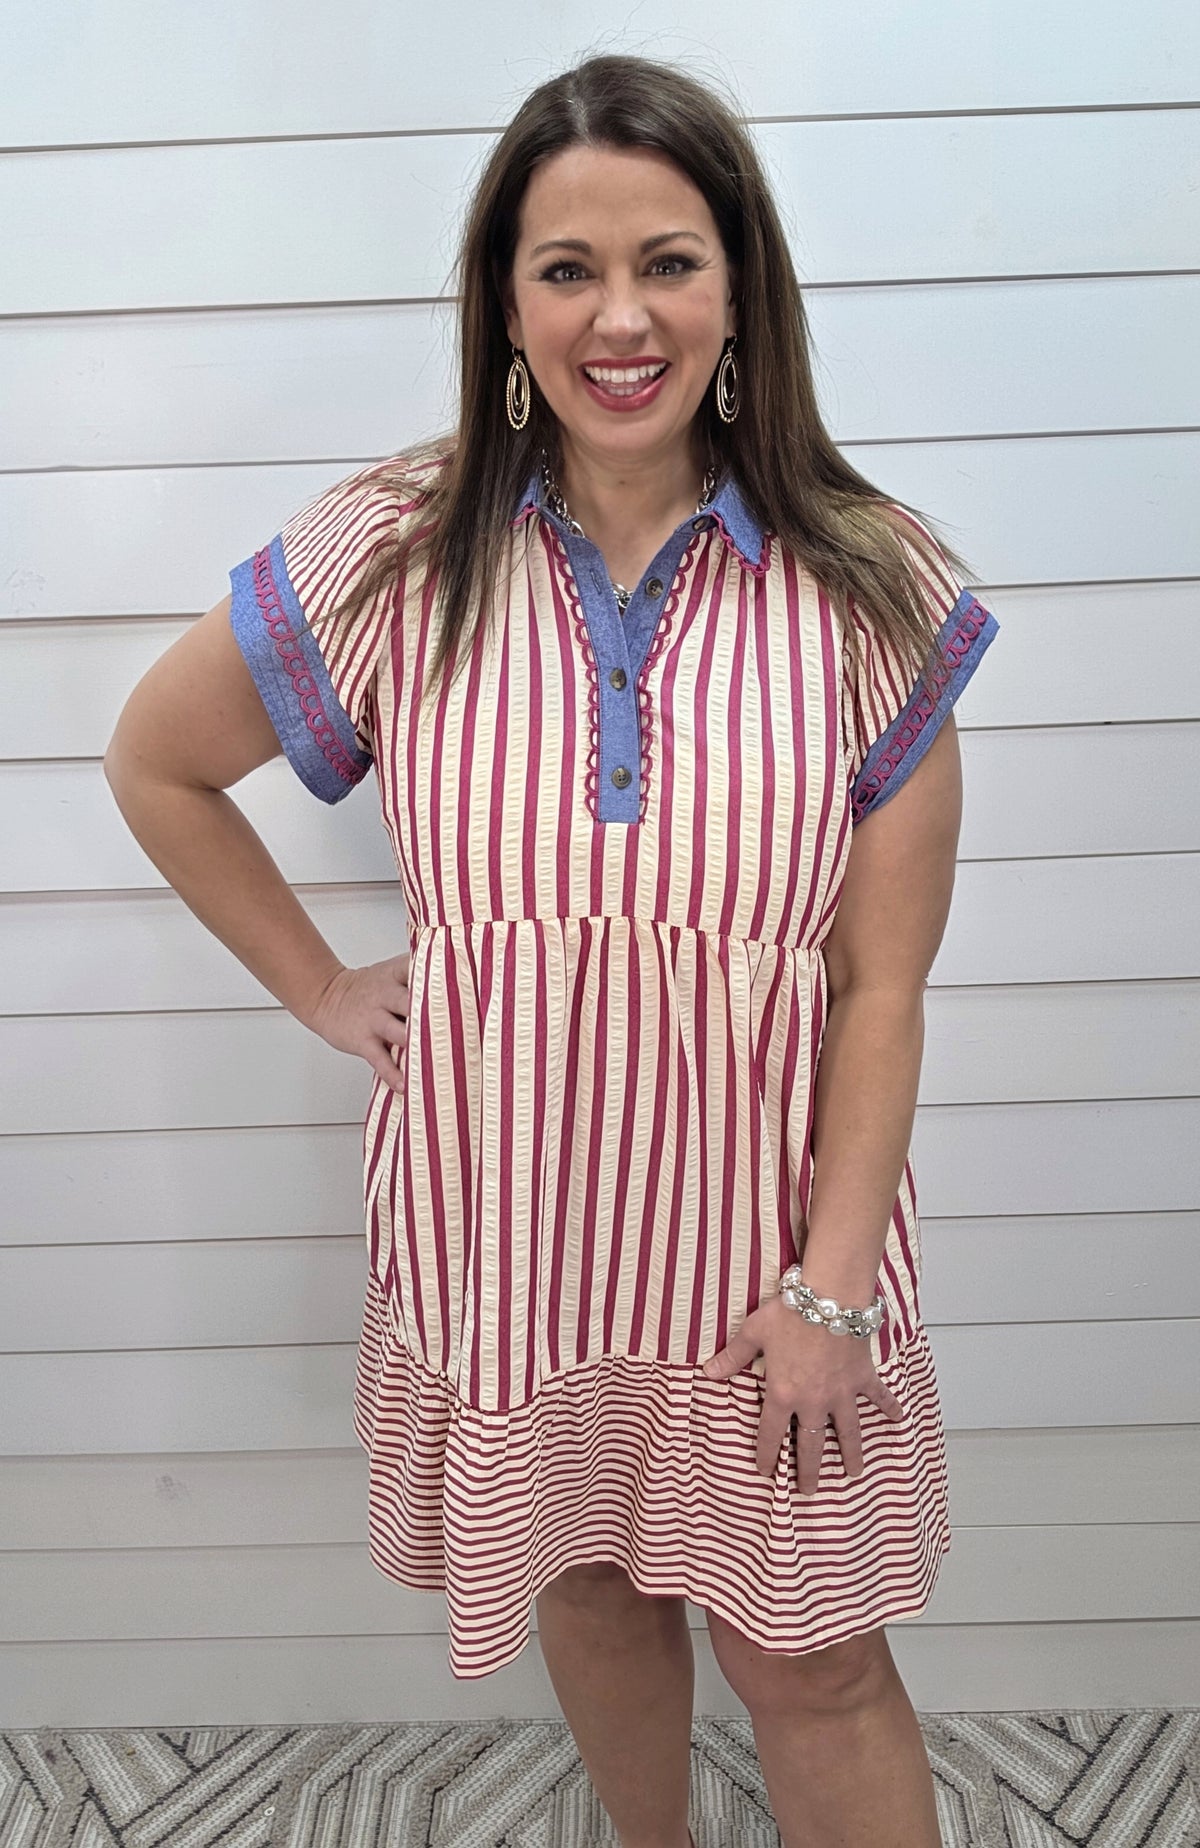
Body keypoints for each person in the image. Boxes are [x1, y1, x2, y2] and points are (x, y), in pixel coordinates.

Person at [104, 51, 999, 1848]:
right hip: (513, 1234)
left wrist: (832, 1296)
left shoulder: (872, 582)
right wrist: (321, 987)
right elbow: (159, 761)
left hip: (765, 1258)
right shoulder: (391, 550)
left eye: (667, 260)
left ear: (739, 283)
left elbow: (881, 987)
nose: (620, 318)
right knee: (591, 1590)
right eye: (566, 267)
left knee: (816, 1659)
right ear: (505, 303)